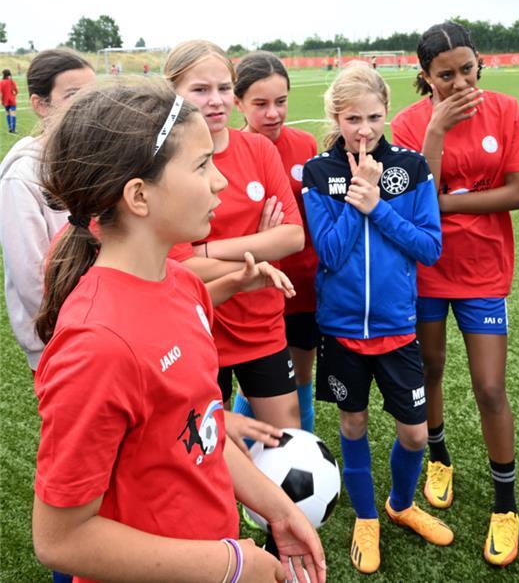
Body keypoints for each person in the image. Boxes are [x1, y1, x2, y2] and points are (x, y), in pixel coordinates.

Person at [31, 83, 326, 583]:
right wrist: (232, 565)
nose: (221, 184)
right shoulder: (97, 345)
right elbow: (61, 539)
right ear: (139, 196)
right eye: (201, 166)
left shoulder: (184, 285)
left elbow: (198, 429)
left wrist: (276, 506)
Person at [391, 21, 519, 567]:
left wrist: (446, 205)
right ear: (424, 76)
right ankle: (439, 457)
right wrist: (435, 131)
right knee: (429, 368)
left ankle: (505, 505)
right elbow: (408, 199)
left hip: (483, 272)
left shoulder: (505, 109)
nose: (458, 82)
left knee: (491, 386)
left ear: (480, 65)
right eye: (444, 75)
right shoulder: (407, 123)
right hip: (425, 270)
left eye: (466, 69)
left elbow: (516, 194)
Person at [302, 63, 451, 574]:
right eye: (352, 119)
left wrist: (378, 206)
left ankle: (401, 504)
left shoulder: (410, 168)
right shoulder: (319, 172)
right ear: (335, 117)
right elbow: (330, 254)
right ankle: (367, 517)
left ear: (387, 112)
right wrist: (354, 202)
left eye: (374, 116)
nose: (364, 129)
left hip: (397, 329)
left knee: (413, 434)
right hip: (342, 332)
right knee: (354, 422)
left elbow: (430, 247)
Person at [164, 41, 305, 436]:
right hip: (196, 325)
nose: (216, 101)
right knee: (212, 445)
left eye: (224, 88)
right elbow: (179, 266)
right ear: (172, 93)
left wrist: (207, 248)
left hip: (261, 320)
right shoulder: (164, 164)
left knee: (285, 438)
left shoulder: (258, 148)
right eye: (200, 90)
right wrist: (259, 253)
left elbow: (293, 236)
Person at [234, 51, 320, 433]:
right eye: (261, 104)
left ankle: (303, 454)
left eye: (281, 102)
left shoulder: (305, 145)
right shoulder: (228, 152)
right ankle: (244, 459)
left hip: (303, 285)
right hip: (250, 288)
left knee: (300, 378)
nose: (273, 113)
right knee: (258, 384)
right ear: (238, 103)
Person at [0, 50, 96, 374]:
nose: (88, 105)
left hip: (106, 322)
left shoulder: (96, 156)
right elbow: (31, 277)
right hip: (58, 339)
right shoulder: (22, 175)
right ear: (40, 105)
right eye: (73, 96)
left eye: (92, 95)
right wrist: (65, 332)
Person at [2, 68, 19, 133]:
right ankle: (13, 129)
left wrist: (1, 101)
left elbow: (1, 93)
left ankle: (9, 128)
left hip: (5, 101)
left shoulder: (1, 82)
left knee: (7, 114)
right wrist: (14, 95)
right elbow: (16, 91)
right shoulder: (11, 81)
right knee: (13, 114)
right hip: (12, 100)